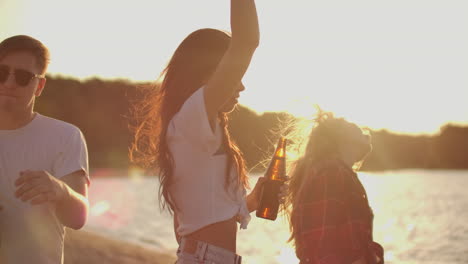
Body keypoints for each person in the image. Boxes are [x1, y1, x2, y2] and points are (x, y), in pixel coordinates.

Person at [130, 0, 286, 263]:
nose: (242, 86)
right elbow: (246, 41)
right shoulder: (191, 118)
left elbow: (198, 219)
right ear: (208, 74)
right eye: (234, 75)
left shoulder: (196, 129)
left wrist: (250, 202)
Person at [0, 35, 90, 264]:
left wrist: (60, 190)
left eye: (22, 77)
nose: (9, 83)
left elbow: (79, 219)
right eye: (1, 72)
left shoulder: (65, 136)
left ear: (39, 85)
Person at [286, 112, 384, 264]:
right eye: (352, 124)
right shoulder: (330, 174)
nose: (364, 130)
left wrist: (372, 255)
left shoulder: (336, 173)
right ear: (342, 136)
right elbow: (322, 249)